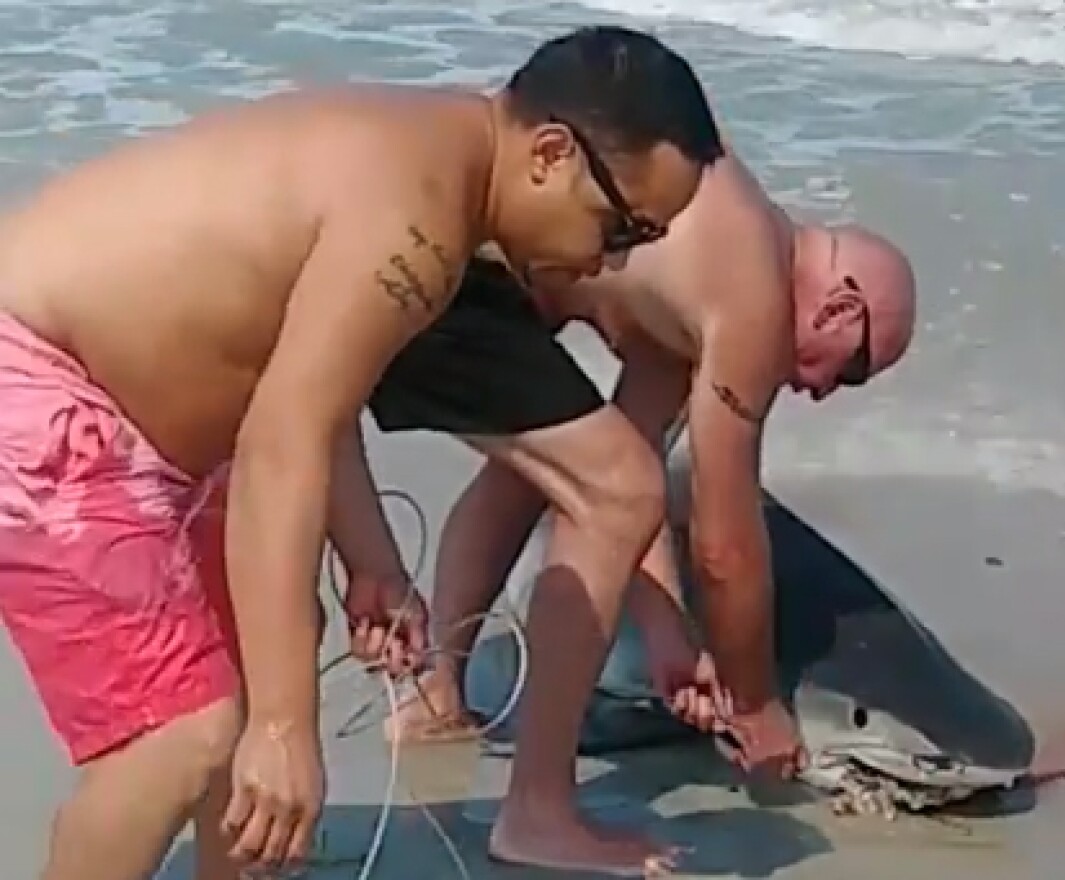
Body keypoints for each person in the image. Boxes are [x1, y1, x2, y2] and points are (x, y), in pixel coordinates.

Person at [0, 24, 723, 880]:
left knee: (264, 660)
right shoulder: (417, 217)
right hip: (41, 391)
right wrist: (283, 723)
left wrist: (368, 558)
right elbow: (282, 441)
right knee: (180, 738)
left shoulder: (428, 169)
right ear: (551, 153)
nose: (608, 266)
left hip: (146, 427)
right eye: (620, 229)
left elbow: (304, 390)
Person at [343, 151, 915, 870]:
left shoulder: (693, 301)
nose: (828, 393)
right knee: (588, 484)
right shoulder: (753, 298)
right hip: (440, 268)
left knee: (555, 471)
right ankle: (533, 810)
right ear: (840, 306)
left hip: (458, 263)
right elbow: (724, 542)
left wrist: (667, 635)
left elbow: (632, 471)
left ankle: (438, 693)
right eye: (852, 368)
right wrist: (756, 702)